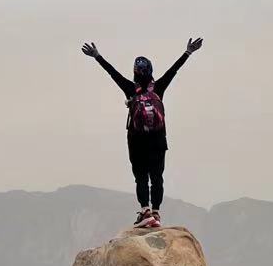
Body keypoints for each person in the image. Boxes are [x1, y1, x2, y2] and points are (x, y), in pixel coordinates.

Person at [80, 37, 203, 229]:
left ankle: (145, 211)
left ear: (135, 73)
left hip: (137, 141)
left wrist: (97, 56)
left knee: (140, 176)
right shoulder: (159, 88)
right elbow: (173, 71)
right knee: (157, 177)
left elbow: (113, 74)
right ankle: (156, 213)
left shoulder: (130, 89)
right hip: (158, 140)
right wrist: (188, 52)